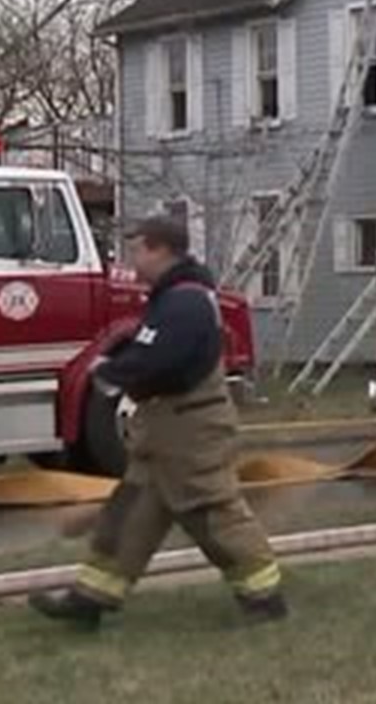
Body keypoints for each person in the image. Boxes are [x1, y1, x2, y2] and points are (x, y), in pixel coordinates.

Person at [28, 216, 286, 628]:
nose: (133, 260)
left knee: (213, 514)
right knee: (130, 514)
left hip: (191, 431)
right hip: (165, 428)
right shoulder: (174, 299)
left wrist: (110, 371)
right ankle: (92, 597)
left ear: (159, 249)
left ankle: (264, 596)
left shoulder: (184, 302)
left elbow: (158, 356)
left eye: (137, 250)